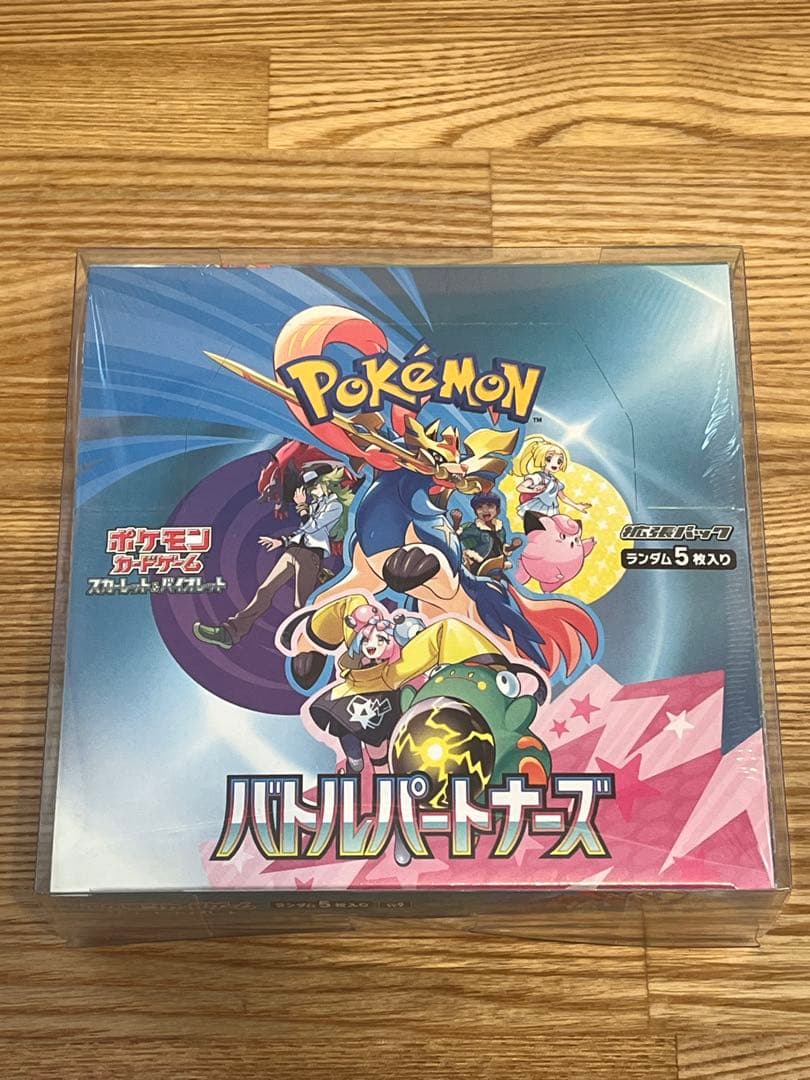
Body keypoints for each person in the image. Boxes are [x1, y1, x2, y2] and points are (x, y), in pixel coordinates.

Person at [193, 467, 352, 649]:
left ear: (326, 483)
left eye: (313, 487)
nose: (309, 492)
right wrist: (281, 541)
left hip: (310, 555)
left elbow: (312, 526)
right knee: (265, 590)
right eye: (309, 488)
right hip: (294, 550)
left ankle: (305, 643)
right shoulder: (316, 505)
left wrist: (302, 506)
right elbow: (302, 532)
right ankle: (230, 632)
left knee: (301, 603)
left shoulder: (335, 506)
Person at [512, 435, 590, 533]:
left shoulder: (555, 481)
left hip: (552, 509)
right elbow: (520, 487)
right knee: (538, 529)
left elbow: (563, 497)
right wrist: (533, 490)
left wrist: (577, 506)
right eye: (549, 459)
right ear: (541, 459)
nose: (555, 464)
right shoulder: (538, 477)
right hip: (538, 507)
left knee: (551, 530)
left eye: (559, 461)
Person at [451, 492, 521, 577]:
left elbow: (501, 548)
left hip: (496, 564)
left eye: (490, 506)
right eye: (479, 507)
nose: (485, 510)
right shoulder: (475, 529)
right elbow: (456, 537)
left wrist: (512, 547)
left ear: (498, 510)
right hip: (479, 564)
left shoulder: (500, 529)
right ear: (476, 512)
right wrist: (456, 523)